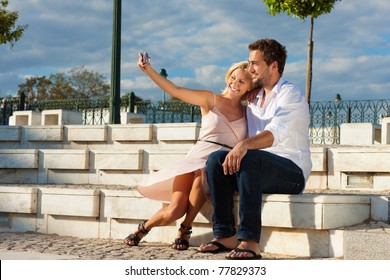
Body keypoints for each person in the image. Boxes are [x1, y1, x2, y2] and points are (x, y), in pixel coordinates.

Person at [124, 53, 254, 250]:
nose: (235, 83)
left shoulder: (249, 111)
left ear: (250, 87)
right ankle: (145, 227)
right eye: (233, 77)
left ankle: (185, 229)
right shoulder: (211, 99)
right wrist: (148, 70)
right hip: (196, 157)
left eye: (242, 81)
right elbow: (175, 90)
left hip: (218, 165)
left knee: (205, 172)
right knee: (174, 210)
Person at [198, 38, 312, 259]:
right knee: (215, 160)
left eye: (254, 64)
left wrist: (244, 145)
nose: (249, 69)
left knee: (250, 158)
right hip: (257, 169)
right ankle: (224, 236)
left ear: (274, 66)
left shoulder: (291, 95)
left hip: (291, 172)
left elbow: (275, 133)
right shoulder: (254, 96)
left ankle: (249, 241)